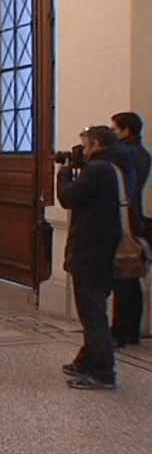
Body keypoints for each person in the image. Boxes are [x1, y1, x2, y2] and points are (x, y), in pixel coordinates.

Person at [58, 125, 124, 389]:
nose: (83, 149)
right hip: (103, 248)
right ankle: (87, 360)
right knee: (93, 309)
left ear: (96, 144)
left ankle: (103, 372)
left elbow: (68, 197)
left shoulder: (97, 169)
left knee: (92, 312)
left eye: (85, 144)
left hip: (91, 250)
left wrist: (63, 173)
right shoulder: (114, 166)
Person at [110, 112, 150, 347]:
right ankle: (130, 329)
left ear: (126, 131)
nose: (114, 134)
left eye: (115, 130)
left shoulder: (127, 154)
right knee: (130, 276)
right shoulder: (142, 153)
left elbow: (125, 188)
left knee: (124, 277)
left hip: (125, 218)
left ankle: (121, 330)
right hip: (133, 216)